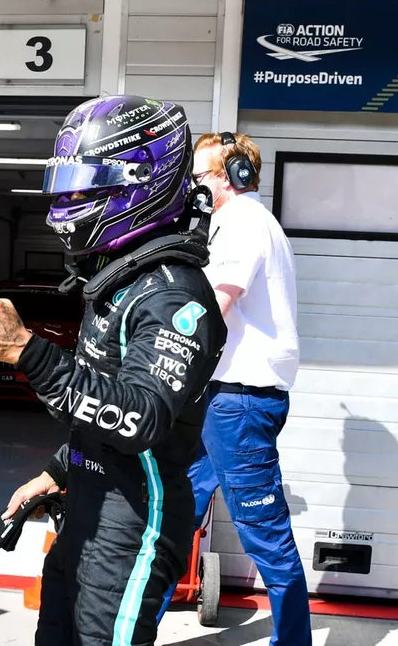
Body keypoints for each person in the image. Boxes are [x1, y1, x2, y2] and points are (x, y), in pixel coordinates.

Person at [0, 94, 228, 645]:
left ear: (138, 183)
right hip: (87, 509)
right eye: (65, 187)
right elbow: (104, 405)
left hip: (134, 523)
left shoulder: (175, 296)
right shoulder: (119, 279)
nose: (68, 203)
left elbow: (142, 419)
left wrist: (25, 351)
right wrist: (58, 472)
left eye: (84, 187)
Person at [157, 132, 310, 644]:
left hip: (239, 401)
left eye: (199, 177)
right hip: (220, 395)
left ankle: (292, 640)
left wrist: (158, 358)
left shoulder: (244, 223)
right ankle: (136, 626)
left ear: (231, 176)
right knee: (174, 517)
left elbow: (211, 310)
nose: (193, 188)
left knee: (265, 536)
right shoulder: (232, 224)